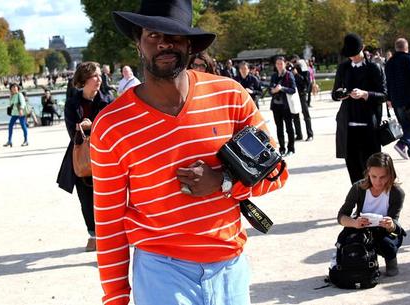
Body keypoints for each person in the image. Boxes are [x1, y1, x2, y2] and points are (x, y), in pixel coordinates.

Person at [92, 1, 289, 304]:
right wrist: (115, 298)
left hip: (230, 269)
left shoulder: (230, 96)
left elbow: (277, 174)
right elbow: (108, 220)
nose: (164, 43)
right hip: (161, 271)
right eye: (153, 35)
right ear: (137, 43)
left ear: (190, 45)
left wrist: (224, 180)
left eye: (175, 36)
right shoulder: (112, 125)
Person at [56, 62, 111, 252]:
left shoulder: (108, 100)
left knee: (108, 199)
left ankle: (108, 235)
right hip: (81, 158)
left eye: (100, 76)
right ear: (84, 79)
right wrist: (83, 129)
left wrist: (92, 126)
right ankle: (93, 234)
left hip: (105, 157)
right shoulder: (72, 103)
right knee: (86, 200)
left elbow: (113, 131)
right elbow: (73, 134)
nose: (99, 79)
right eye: (95, 76)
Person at [337, 152, 405, 276]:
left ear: (390, 174)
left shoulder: (397, 193)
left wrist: (390, 225)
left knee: (387, 243)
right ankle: (354, 261)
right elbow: (341, 216)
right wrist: (354, 223)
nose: (378, 182)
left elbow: (395, 221)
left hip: (384, 231)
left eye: (382, 177)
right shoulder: (358, 188)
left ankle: (390, 258)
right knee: (344, 239)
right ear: (368, 172)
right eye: (373, 176)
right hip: (361, 227)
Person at [332, 33, 387, 184]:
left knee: (373, 172)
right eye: (350, 55)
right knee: (354, 173)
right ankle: (360, 204)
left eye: (355, 54)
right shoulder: (343, 67)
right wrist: (340, 95)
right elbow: (334, 93)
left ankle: (376, 204)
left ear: (363, 48)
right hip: (348, 128)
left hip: (369, 127)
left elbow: (384, 95)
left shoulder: (374, 68)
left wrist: (365, 94)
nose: (353, 57)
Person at [385, 38, 410, 160]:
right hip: (409, 98)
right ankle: (402, 143)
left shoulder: (389, 62)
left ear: (396, 48)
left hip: (396, 99)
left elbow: (388, 82)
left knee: (406, 125)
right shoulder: (409, 59)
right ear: (406, 48)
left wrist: (389, 98)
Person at [270, 56, 297, 157]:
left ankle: (291, 148)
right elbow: (270, 88)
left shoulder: (289, 75)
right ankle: (282, 148)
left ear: (285, 64)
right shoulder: (274, 75)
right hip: (276, 106)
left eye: (281, 63)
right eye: (277, 64)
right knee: (279, 128)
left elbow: (293, 89)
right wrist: (273, 90)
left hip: (286, 106)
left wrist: (282, 89)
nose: (279, 66)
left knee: (289, 128)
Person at [290, 60, 314, 141]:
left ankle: (310, 134)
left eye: (295, 63)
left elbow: (305, 83)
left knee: (306, 115)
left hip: (302, 94)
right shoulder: (290, 72)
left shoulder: (305, 71)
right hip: (294, 95)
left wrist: (296, 74)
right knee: (295, 115)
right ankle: (299, 134)